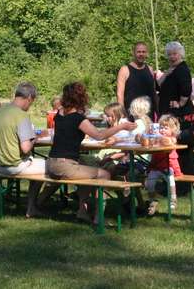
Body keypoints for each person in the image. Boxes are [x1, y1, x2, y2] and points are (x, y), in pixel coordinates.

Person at [45, 82, 137, 225]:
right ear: (82, 98)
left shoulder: (60, 114)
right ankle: (99, 217)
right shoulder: (77, 118)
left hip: (52, 162)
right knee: (105, 174)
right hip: (65, 166)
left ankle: (82, 211)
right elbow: (99, 135)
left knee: (91, 173)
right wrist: (121, 126)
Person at [0, 82, 49, 218]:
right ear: (29, 97)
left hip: (0, 164)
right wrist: (35, 138)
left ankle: (32, 206)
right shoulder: (21, 115)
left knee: (39, 167)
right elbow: (25, 148)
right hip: (16, 165)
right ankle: (35, 205)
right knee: (53, 166)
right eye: (32, 102)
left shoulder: (0, 112)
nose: (30, 106)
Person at [157, 41, 194, 183]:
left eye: (174, 53)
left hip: (181, 118)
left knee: (182, 151)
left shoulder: (182, 69)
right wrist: (165, 75)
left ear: (181, 54)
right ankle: (179, 183)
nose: (172, 57)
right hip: (172, 116)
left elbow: (186, 89)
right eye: (169, 54)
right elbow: (158, 86)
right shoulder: (172, 70)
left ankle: (185, 183)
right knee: (175, 150)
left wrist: (180, 103)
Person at [146, 115, 183, 215]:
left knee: (170, 179)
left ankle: (173, 199)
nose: (163, 130)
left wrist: (159, 136)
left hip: (167, 166)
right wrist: (149, 133)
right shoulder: (156, 138)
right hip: (155, 166)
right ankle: (152, 200)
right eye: (161, 127)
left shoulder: (172, 139)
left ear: (173, 130)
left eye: (166, 128)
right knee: (149, 184)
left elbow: (168, 142)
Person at [116, 42, 157, 121]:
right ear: (134, 53)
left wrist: (157, 111)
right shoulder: (125, 70)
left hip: (148, 114)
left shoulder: (150, 69)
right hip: (131, 114)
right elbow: (120, 95)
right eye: (139, 52)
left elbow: (153, 92)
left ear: (147, 53)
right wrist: (122, 116)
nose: (141, 54)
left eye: (143, 52)